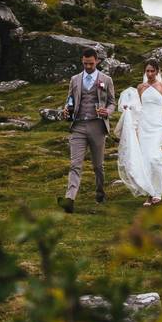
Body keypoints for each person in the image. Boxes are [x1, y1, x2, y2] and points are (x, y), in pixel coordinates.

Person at [114, 58, 162, 206]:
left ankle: (158, 192)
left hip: (157, 125)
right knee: (145, 159)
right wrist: (129, 110)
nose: (150, 73)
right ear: (145, 72)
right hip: (144, 126)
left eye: (152, 71)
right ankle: (150, 194)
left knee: (155, 158)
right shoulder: (140, 87)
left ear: (157, 71)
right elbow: (137, 107)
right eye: (147, 71)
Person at [57, 48, 116, 213]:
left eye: (90, 63)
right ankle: (70, 199)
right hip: (78, 126)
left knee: (98, 166)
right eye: (85, 63)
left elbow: (112, 102)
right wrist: (65, 110)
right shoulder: (74, 79)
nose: (88, 66)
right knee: (75, 164)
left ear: (97, 61)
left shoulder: (106, 79)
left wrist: (108, 112)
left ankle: (100, 192)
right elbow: (69, 100)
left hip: (98, 126)